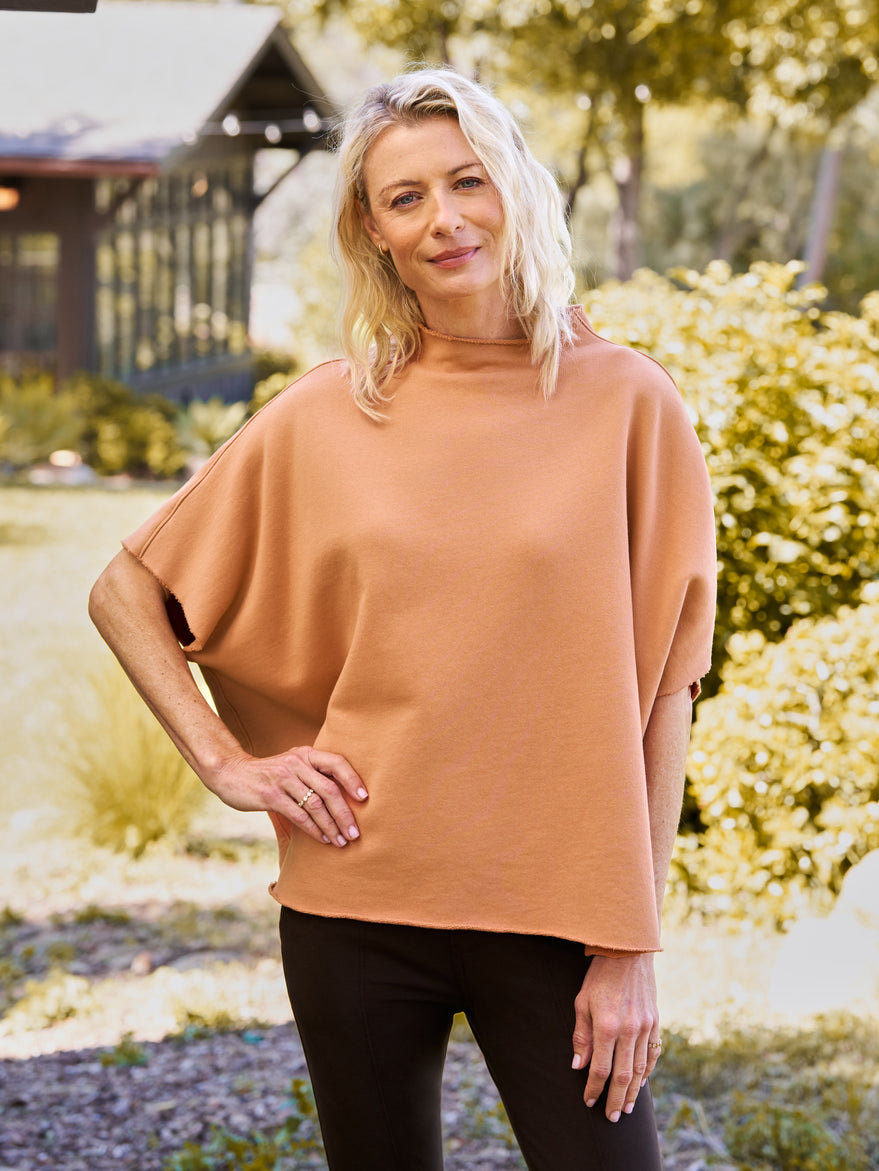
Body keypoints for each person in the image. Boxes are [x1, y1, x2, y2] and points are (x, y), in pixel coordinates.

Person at [89, 67, 716, 1171]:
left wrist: (632, 942)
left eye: (468, 181)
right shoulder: (332, 410)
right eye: (406, 198)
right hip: (357, 906)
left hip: (562, 920)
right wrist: (227, 764)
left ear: (514, 187)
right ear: (373, 231)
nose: (445, 220)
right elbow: (125, 589)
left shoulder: (629, 403)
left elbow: (668, 688)